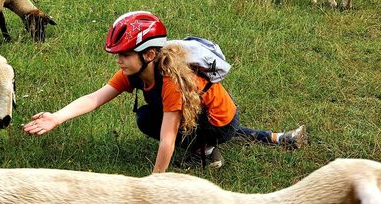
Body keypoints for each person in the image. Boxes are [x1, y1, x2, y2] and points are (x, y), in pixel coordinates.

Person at [23, 11, 306, 172]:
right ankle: (276, 138)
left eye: (124, 54)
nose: (119, 60)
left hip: (219, 123)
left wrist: (155, 183)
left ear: (149, 55)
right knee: (148, 116)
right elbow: (95, 98)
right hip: (218, 117)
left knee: (148, 120)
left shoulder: (170, 79)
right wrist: (56, 117)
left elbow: (168, 138)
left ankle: (208, 152)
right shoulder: (134, 71)